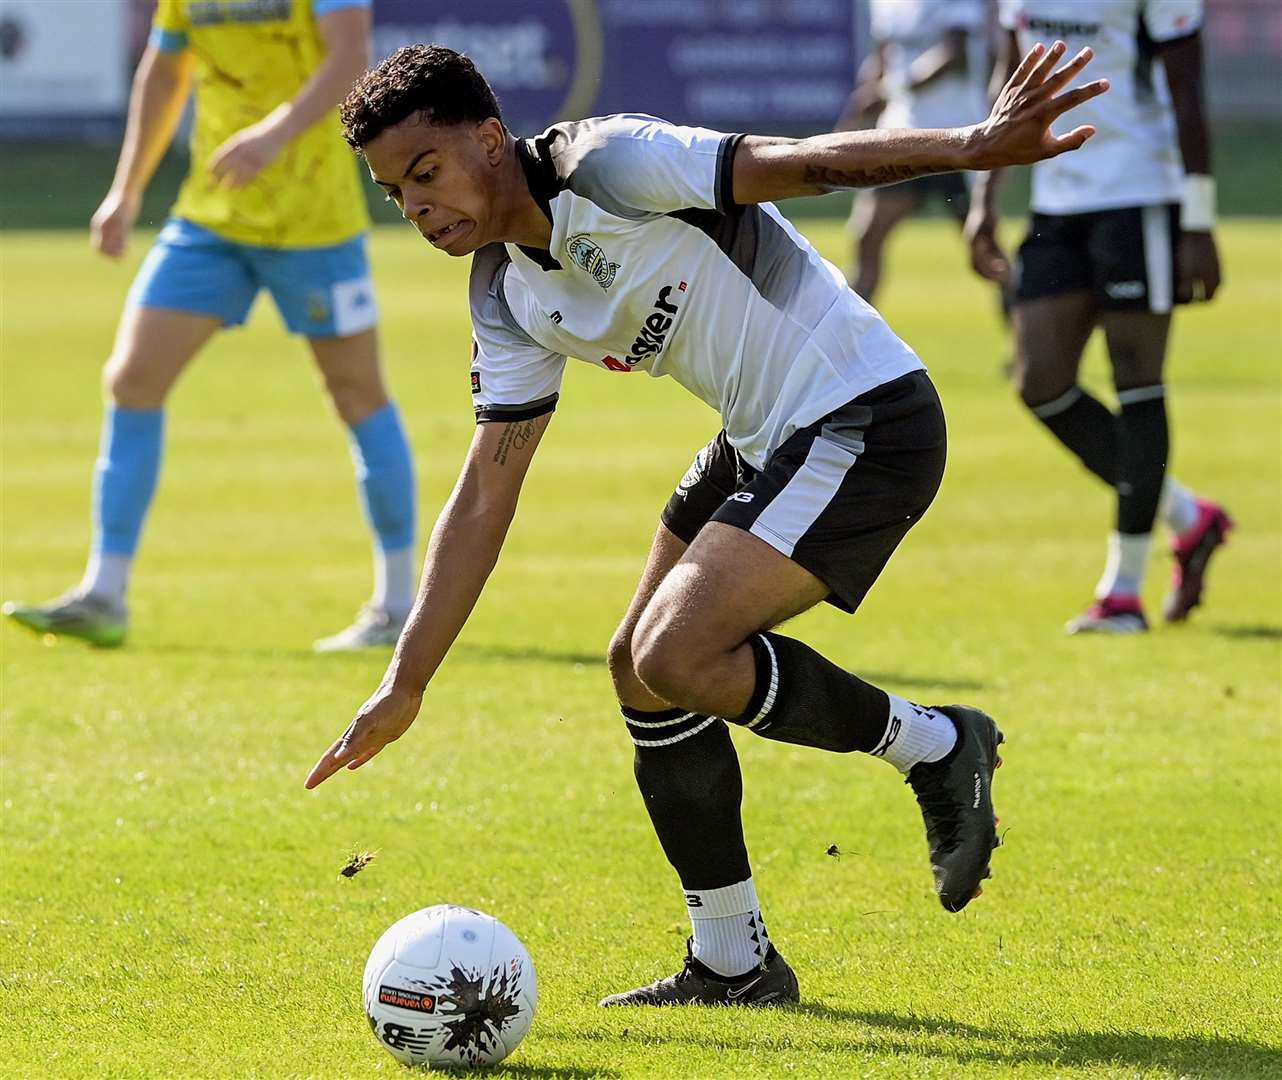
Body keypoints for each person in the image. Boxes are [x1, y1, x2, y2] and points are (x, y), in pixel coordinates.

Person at [305, 42, 1105, 1006]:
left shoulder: (610, 161)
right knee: (639, 673)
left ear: (487, 138)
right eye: (397, 193)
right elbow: (487, 489)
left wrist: (971, 148)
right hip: (764, 434)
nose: (419, 207)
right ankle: (735, 960)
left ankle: (936, 746)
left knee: (678, 651)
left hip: (864, 414)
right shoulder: (503, 291)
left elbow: (798, 162)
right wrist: (407, 680)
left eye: (425, 173)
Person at [3, 0, 417, 652]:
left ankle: (397, 604)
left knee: (356, 395)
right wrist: (126, 189)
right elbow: (164, 72)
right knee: (133, 379)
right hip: (212, 217)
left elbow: (350, 58)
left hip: (313, 222)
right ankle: (104, 594)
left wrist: (274, 134)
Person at [964, 0, 1231, 634]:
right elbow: (1008, 80)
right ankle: (1187, 517)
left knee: (1137, 380)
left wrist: (1198, 220)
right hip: (1057, 200)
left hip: (1142, 194)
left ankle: (1124, 593)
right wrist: (984, 199)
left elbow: (1188, 89)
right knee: (1041, 383)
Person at [837, 0, 989, 301]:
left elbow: (955, 55)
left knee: (985, 249)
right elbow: (882, 57)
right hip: (900, 136)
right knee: (867, 237)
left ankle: (1025, 335)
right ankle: (849, 341)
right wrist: (855, 116)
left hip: (957, 138)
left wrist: (892, 89)